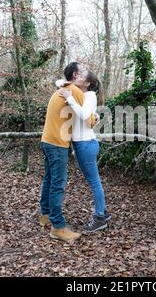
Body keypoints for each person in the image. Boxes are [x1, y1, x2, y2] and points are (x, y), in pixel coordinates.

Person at [39, 62, 92, 242]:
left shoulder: (63, 88)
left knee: (49, 179)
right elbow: (88, 119)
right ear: (76, 75)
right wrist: (97, 116)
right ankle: (58, 227)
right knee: (58, 184)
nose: (87, 73)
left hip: (47, 140)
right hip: (57, 143)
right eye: (84, 71)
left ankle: (45, 215)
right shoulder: (75, 91)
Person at [57, 71, 111, 233]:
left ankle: (100, 218)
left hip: (86, 145)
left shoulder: (89, 96)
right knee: (94, 181)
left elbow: (84, 115)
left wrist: (70, 99)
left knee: (94, 182)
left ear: (87, 83)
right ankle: (104, 213)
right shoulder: (81, 94)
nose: (76, 78)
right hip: (83, 144)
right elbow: (60, 81)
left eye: (80, 77)